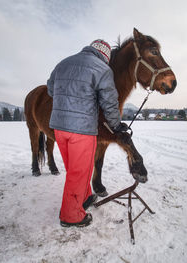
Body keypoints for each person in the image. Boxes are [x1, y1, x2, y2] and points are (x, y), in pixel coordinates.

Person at [47, 39, 128, 227]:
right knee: (80, 171)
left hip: (59, 128)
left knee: (74, 169)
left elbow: (51, 89)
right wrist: (116, 125)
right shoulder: (103, 69)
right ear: (106, 56)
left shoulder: (63, 63)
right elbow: (109, 103)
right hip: (82, 130)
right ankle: (71, 216)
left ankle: (84, 197)